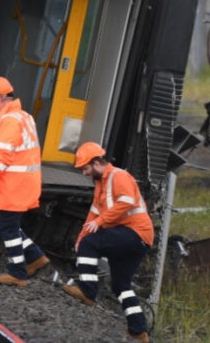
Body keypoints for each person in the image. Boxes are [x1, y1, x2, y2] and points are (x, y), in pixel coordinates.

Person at [62, 142, 153, 343]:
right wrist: (80, 239)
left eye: (86, 168)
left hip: (134, 233)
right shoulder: (101, 185)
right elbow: (93, 213)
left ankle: (87, 291)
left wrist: (99, 223)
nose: (84, 173)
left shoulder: (118, 176)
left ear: (96, 163)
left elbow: (127, 202)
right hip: (138, 239)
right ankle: (139, 330)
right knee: (120, 285)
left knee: (91, 244)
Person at [0, 76, 49, 286]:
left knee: (7, 225)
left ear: (0, 98)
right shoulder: (23, 116)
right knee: (2, 222)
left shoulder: (10, 121)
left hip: (13, 185)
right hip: (18, 183)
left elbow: (3, 154)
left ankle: (17, 273)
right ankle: (35, 257)